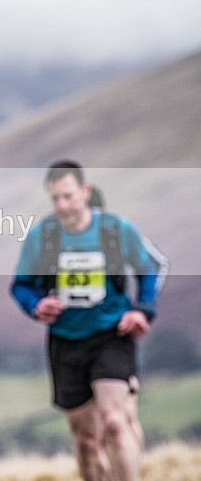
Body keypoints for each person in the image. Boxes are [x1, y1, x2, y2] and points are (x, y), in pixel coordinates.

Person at [10, 161, 169, 481]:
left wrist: (143, 310)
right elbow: (21, 285)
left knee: (114, 421)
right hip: (66, 341)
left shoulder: (115, 230)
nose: (63, 206)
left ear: (85, 191)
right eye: (55, 199)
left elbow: (148, 268)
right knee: (85, 439)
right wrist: (36, 305)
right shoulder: (43, 236)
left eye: (68, 196)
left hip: (112, 334)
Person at [88, 184, 146, 452]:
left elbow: (154, 266)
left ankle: (134, 472)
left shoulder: (117, 238)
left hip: (118, 338)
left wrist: (142, 310)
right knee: (97, 427)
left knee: (124, 415)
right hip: (82, 344)